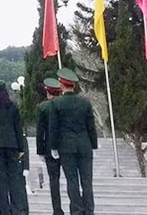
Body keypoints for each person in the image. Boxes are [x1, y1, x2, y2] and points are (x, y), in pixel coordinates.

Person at [48, 68, 97, 215]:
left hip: (66, 146)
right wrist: (93, 145)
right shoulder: (85, 103)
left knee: (72, 180)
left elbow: (53, 128)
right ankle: (89, 210)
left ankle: (77, 210)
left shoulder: (55, 104)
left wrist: (53, 147)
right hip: (84, 145)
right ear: (74, 86)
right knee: (87, 180)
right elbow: (91, 127)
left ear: (61, 86)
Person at [0, 80, 26, 215]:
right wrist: (21, 148)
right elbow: (18, 128)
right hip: (12, 145)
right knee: (14, 180)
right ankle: (17, 209)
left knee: (0, 181)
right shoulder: (13, 105)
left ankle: (4, 210)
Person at [36, 78, 64, 215]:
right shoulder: (65, 105)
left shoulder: (43, 107)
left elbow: (40, 131)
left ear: (48, 93)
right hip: (67, 146)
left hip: (49, 147)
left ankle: (57, 210)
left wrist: (40, 150)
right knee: (72, 179)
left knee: (54, 180)